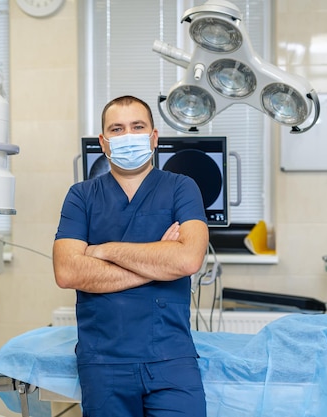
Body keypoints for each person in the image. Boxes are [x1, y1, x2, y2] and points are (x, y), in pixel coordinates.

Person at [53, 95, 209, 417]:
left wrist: (105, 251)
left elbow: (189, 260)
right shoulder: (81, 196)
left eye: (137, 127)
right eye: (117, 129)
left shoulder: (182, 188)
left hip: (171, 357)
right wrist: (160, 261)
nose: (128, 136)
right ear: (104, 142)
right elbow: (68, 272)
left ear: (154, 137)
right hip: (104, 362)